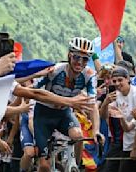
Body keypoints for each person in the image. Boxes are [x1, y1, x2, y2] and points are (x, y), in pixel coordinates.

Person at [33, 37, 104, 172]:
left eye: (85, 59)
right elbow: (32, 90)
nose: (80, 62)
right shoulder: (55, 71)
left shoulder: (89, 75)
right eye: (76, 57)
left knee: (78, 135)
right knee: (44, 166)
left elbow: (92, 104)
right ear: (69, 56)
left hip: (63, 114)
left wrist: (96, 131)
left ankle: (75, 165)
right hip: (43, 114)